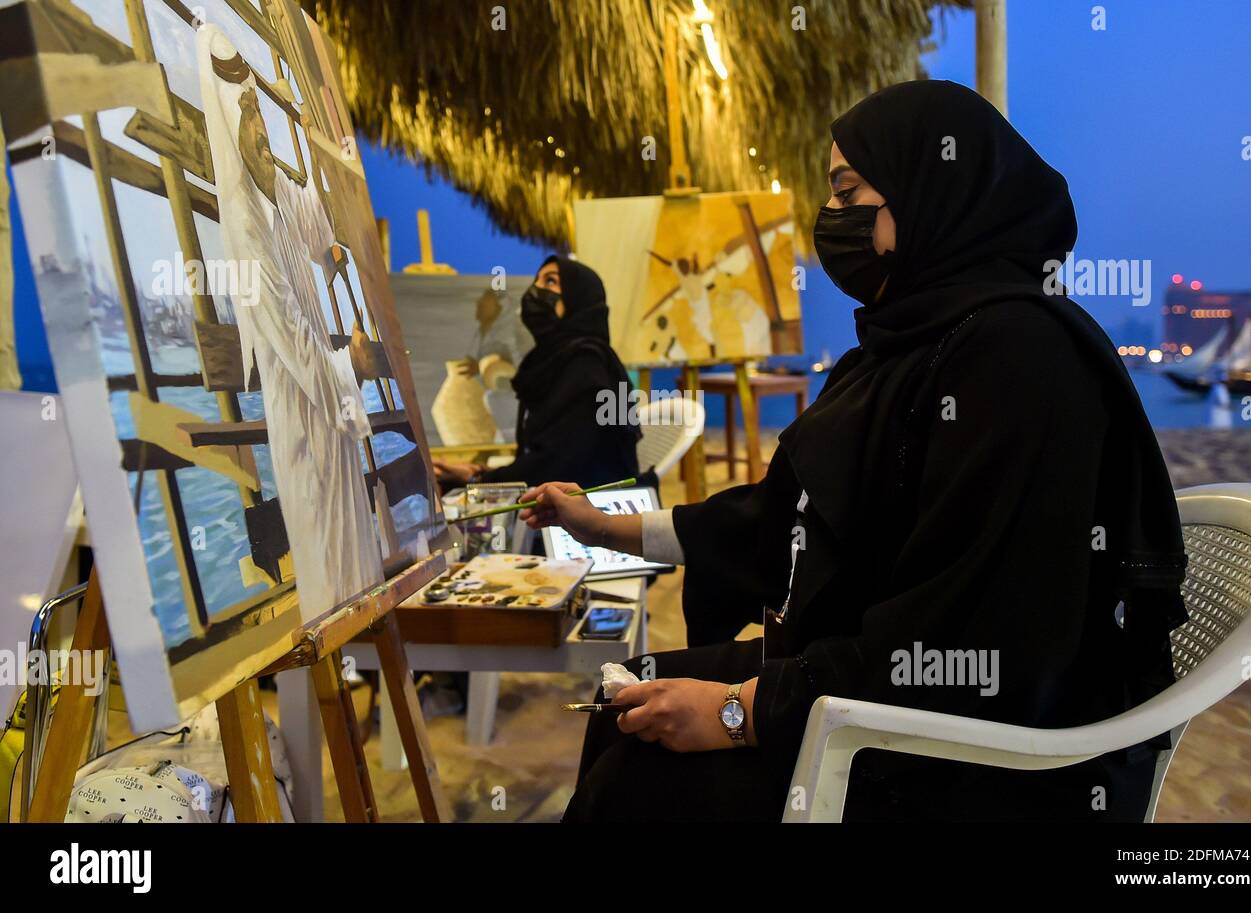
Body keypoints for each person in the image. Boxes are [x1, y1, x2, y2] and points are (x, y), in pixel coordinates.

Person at [521, 80, 1189, 822]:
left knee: (635, 781)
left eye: (848, 191)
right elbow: (785, 518)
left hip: (974, 755)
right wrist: (608, 526)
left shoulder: (1019, 358)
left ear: (930, 189)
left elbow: (969, 642)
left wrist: (744, 711)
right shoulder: (912, 342)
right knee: (626, 692)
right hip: (876, 682)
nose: (829, 218)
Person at [198, 24, 382, 615]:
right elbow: (302, 353)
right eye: (246, 114)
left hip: (328, 405)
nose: (257, 128)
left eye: (258, 111)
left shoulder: (274, 185)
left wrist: (329, 159)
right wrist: (350, 363)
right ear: (227, 123)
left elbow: (319, 227)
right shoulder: (246, 234)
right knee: (329, 563)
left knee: (354, 552)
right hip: (305, 416)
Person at [433, 256, 641, 490]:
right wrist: (478, 473)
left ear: (579, 299)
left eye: (551, 281)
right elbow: (545, 458)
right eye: (537, 281)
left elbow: (558, 467)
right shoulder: (552, 362)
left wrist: (478, 481)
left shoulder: (587, 367)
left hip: (593, 512)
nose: (536, 290)